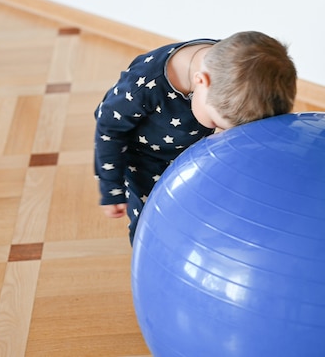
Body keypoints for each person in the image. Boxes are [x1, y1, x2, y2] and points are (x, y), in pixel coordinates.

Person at [94, 30, 297, 244]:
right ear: (201, 81)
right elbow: (109, 130)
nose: (222, 130)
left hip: (196, 155)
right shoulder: (144, 85)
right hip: (146, 164)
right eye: (217, 123)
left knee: (200, 207)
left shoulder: (235, 66)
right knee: (150, 221)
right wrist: (111, 187)